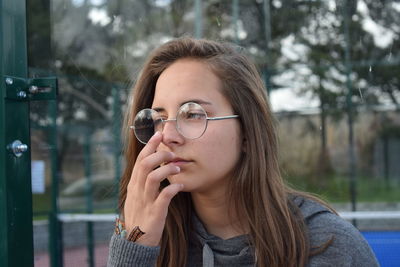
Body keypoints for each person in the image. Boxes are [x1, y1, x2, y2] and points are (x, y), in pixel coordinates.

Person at [107, 37, 379, 267]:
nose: (167, 135)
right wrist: (135, 245)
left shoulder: (327, 245)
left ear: (248, 130)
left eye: (192, 114)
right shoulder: (148, 241)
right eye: (158, 117)